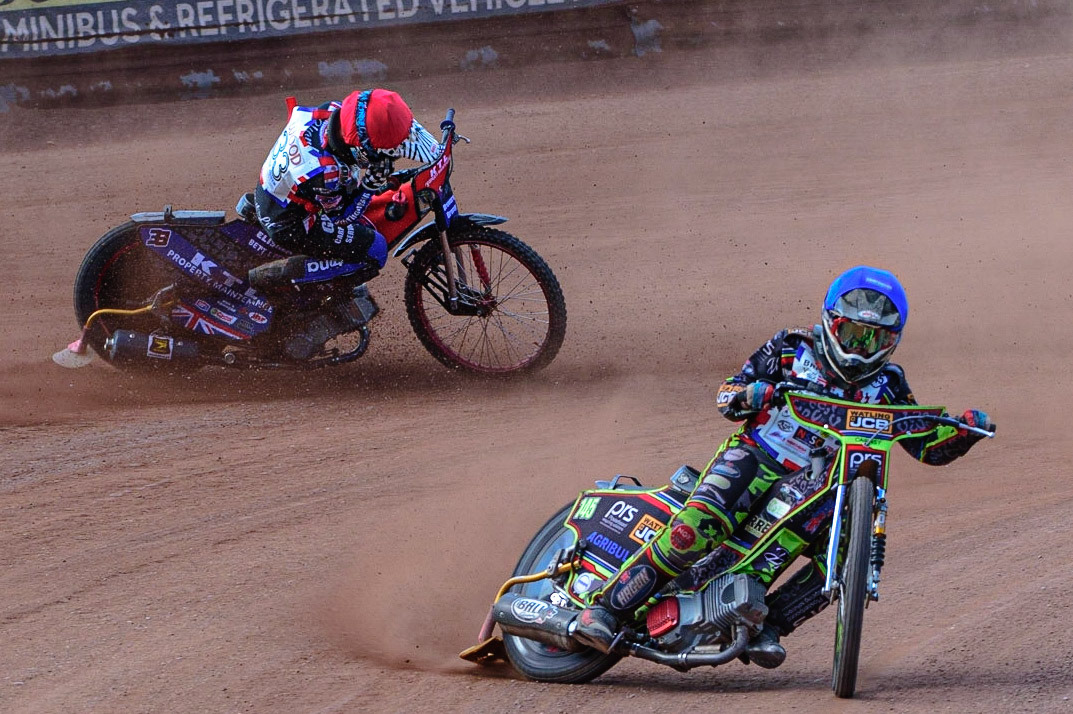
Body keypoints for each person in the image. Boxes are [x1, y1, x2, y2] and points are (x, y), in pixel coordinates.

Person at [573, 265, 994, 667]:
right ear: (831, 323)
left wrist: (963, 432)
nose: (859, 348)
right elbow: (727, 394)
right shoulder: (792, 347)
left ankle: (767, 626)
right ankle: (606, 610)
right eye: (851, 333)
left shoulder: (890, 384)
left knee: (851, 558)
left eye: (873, 339)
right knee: (694, 530)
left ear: (892, 342)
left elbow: (923, 445)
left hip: (821, 483)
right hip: (757, 456)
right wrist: (753, 394)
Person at [245, 88, 440, 290]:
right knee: (376, 249)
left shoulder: (335, 112)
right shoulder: (326, 174)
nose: (390, 157)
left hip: (281, 190)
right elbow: (342, 218)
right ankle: (302, 289)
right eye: (387, 152)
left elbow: (383, 120)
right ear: (361, 149)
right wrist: (368, 187)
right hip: (290, 223)